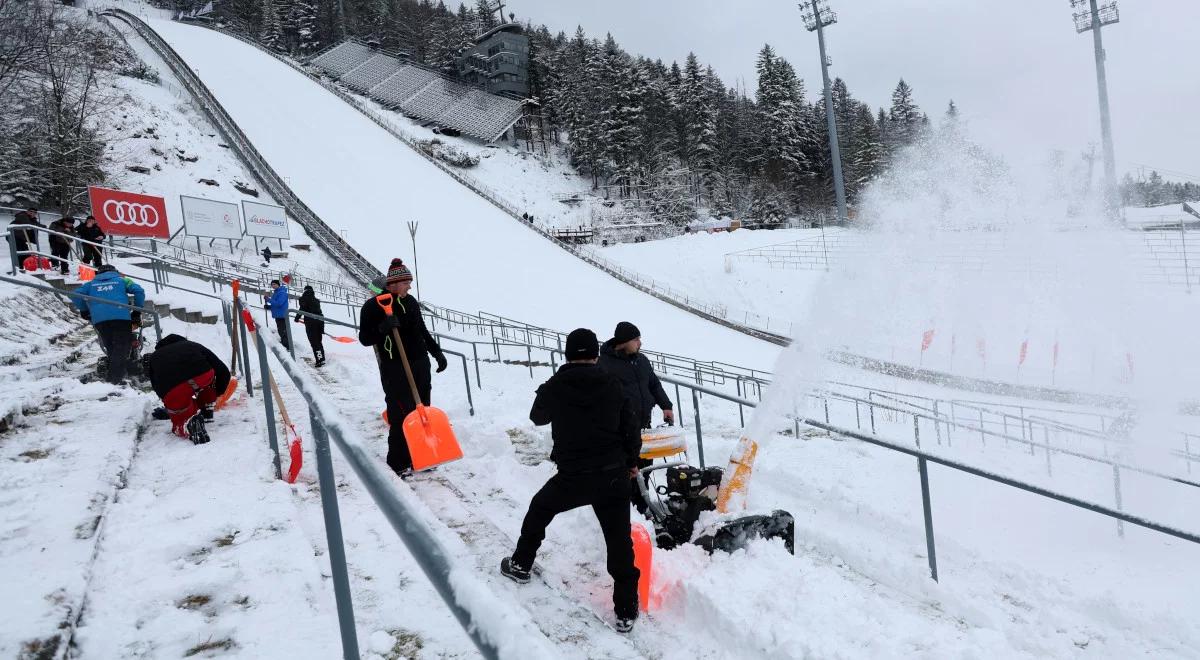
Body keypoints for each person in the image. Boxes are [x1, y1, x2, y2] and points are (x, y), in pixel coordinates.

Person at [500, 328, 642, 633]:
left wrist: (547, 389)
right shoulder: (612, 383)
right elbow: (632, 427)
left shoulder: (557, 385)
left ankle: (521, 564)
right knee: (619, 541)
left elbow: (537, 417)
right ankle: (626, 609)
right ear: (595, 354)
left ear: (567, 354)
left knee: (540, 508)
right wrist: (631, 463)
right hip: (613, 474)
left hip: (574, 476)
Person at [358, 258, 448, 477]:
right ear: (394, 283)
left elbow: (422, 330)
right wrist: (383, 327)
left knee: (422, 411)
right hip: (394, 367)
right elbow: (364, 338)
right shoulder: (373, 306)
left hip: (419, 363)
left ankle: (422, 456)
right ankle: (398, 462)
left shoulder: (411, 302)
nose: (410, 286)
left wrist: (436, 352)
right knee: (401, 414)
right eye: (407, 282)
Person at [145, 334, 230, 445]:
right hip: (201, 377)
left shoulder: (155, 357)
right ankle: (207, 406)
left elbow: (156, 385)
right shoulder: (192, 345)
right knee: (208, 382)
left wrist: (171, 406)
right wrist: (218, 393)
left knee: (179, 420)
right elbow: (222, 370)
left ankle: (187, 425)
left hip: (173, 387)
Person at [72, 264, 145, 384]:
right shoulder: (123, 280)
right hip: (121, 317)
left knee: (111, 348)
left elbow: (76, 295)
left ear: (98, 273)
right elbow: (139, 291)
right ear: (115, 271)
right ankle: (114, 380)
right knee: (121, 348)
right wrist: (137, 310)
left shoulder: (91, 284)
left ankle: (120, 373)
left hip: (100, 320)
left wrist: (84, 310)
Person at [599, 321, 674, 429]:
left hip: (644, 426)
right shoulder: (604, 364)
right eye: (636, 339)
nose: (640, 343)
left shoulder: (641, 360)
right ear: (624, 342)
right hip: (619, 431)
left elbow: (654, 385)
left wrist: (666, 406)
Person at [296, 284, 325, 366]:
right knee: (318, 341)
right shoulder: (316, 300)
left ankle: (319, 360)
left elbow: (302, 309)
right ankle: (322, 358)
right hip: (320, 320)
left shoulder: (304, 298)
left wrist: (297, 317)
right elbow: (318, 311)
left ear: (305, 290)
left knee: (314, 342)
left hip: (311, 322)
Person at [264, 279, 290, 349]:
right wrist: (269, 307)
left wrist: (268, 300)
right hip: (278, 315)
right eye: (272, 284)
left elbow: (279, 303)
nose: (273, 286)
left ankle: (287, 346)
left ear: (278, 284)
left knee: (283, 331)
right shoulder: (276, 293)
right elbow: (275, 305)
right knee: (281, 331)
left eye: (274, 284)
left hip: (282, 315)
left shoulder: (282, 293)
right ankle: (285, 343)